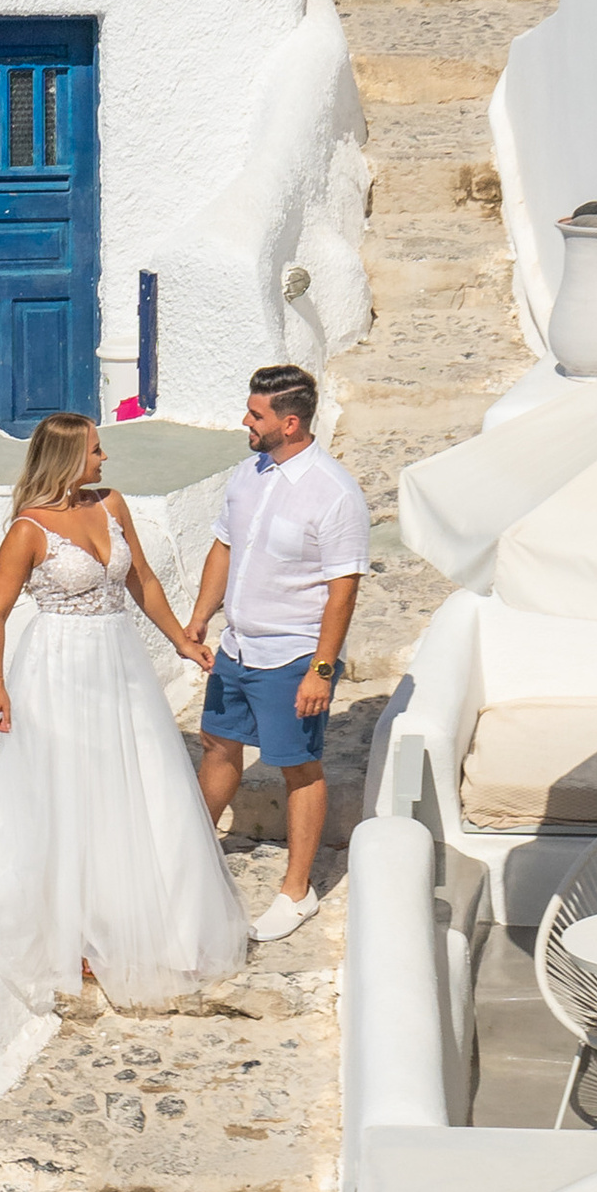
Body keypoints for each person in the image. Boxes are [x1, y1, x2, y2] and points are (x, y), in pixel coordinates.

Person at [0, 409, 249, 1007]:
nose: (103, 459)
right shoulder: (27, 531)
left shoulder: (112, 503)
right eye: (94, 450)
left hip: (119, 661)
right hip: (57, 667)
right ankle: (77, 933)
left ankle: (151, 922)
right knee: (73, 794)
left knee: (139, 781)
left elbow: (142, 580)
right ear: (66, 457)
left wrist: (181, 640)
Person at [186, 363, 370, 945]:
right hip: (237, 647)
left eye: (256, 413)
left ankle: (297, 891)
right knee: (218, 744)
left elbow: (344, 589)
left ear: (289, 423)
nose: (246, 420)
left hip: (292, 657)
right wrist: (199, 618)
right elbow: (223, 546)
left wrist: (322, 669)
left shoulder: (335, 494)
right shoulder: (248, 473)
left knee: (298, 767)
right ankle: (189, 850)